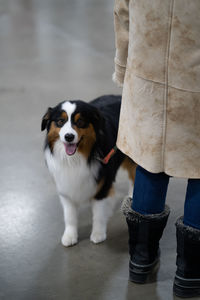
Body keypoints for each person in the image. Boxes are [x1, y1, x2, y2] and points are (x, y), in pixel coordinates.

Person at [113, 0, 200, 298]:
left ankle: (141, 261)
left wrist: (123, 68)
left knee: (150, 161)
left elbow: (123, 14)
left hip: (145, 79)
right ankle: (190, 274)